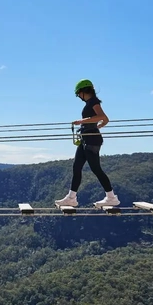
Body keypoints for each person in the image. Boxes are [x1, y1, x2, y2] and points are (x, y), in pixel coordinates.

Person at [55, 79, 120, 208]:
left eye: (79, 93)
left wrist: (82, 122)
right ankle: (71, 198)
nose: (79, 96)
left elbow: (101, 116)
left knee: (96, 169)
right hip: (86, 138)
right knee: (76, 167)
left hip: (92, 140)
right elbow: (105, 119)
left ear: (84, 91)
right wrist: (96, 127)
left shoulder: (93, 102)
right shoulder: (91, 103)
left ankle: (111, 197)